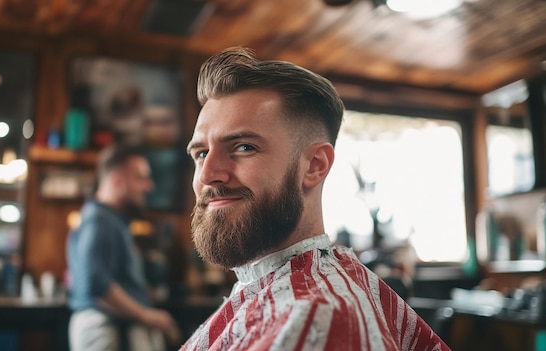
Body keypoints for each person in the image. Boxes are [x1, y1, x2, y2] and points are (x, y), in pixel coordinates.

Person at [181, 47, 451, 351]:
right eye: (201, 153)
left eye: (244, 147)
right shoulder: (274, 289)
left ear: (314, 165)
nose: (207, 174)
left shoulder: (314, 319)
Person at [66, 144, 179, 351]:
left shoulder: (110, 220)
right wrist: (148, 316)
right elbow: (96, 282)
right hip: (105, 328)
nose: (149, 186)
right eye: (141, 177)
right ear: (117, 180)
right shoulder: (100, 221)